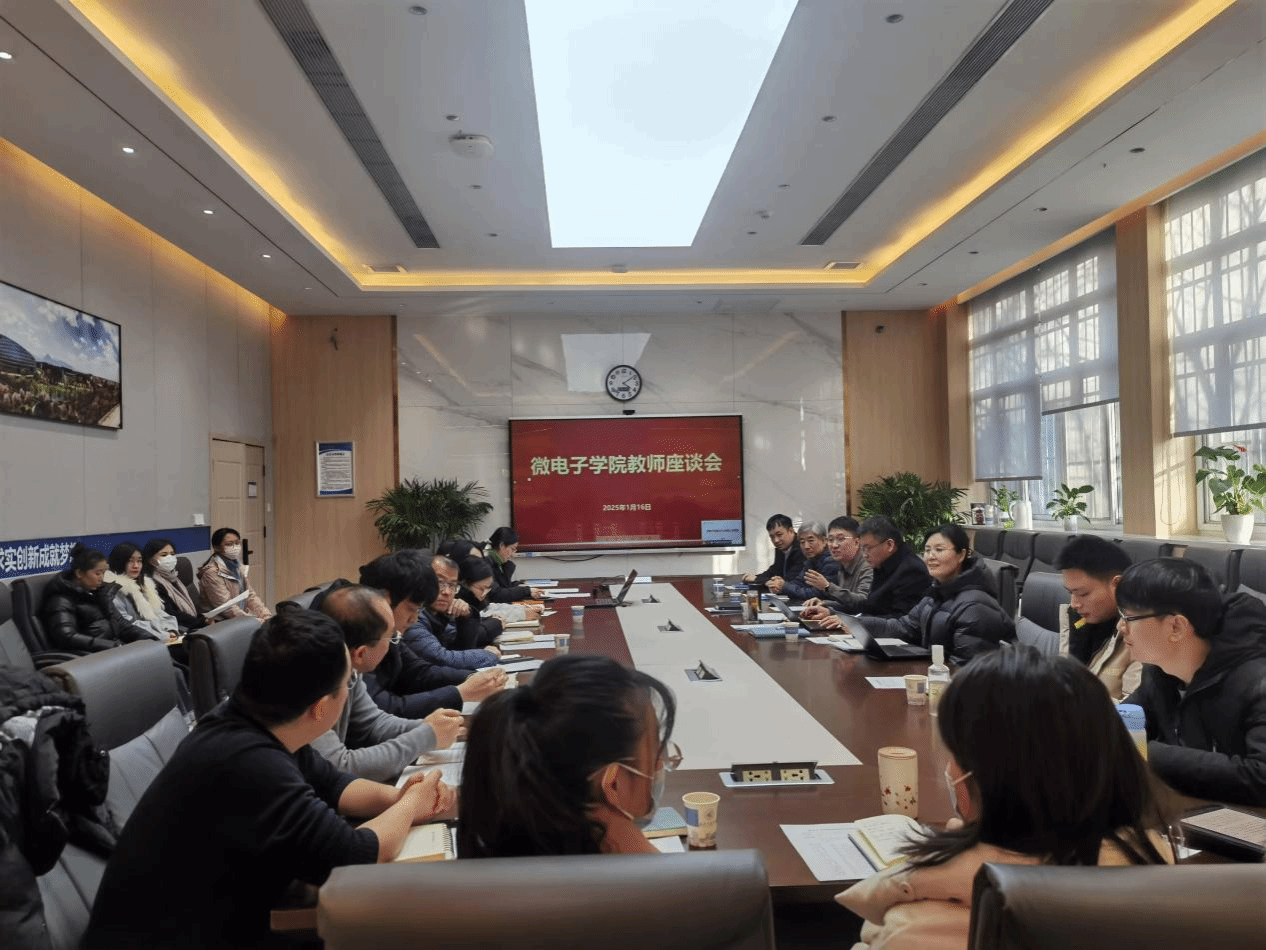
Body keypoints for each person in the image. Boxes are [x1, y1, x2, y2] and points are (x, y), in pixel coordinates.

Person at [83, 608, 457, 950]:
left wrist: (400, 797)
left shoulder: (256, 722)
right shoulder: (248, 762)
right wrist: (413, 804)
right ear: (321, 707)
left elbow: (335, 785)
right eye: (348, 683)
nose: (350, 691)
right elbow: (356, 854)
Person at [838, 646, 1172, 950]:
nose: (950, 769)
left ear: (986, 778)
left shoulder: (914, 929)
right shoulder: (1165, 882)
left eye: (955, 754)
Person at [458, 654, 679, 858]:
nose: (660, 764)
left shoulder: (504, 851)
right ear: (613, 785)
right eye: (654, 751)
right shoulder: (665, 884)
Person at [1118, 558, 1266, 806]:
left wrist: (1146, 752)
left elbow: (1260, 778)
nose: (1121, 627)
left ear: (1176, 626)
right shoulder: (1160, 672)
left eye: (1129, 617)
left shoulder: (1257, 682)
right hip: (1192, 814)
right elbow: (1124, 723)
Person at [309, 584, 464, 782]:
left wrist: (430, 726)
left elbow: (373, 723)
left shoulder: (350, 669)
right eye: (392, 637)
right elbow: (340, 766)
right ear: (361, 653)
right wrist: (426, 736)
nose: (395, 642)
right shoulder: (312, 684)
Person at [357, 552, 507, 719]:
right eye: (411, 609)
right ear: (385, 599)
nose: (414, 619)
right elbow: (385, 709)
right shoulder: (358, 639)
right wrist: (460, 693)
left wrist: (475, 678)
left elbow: (419, 672)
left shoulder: (390, 632)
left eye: (452, 585)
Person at [853, 524, 1014, 663]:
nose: (930, 557)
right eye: (927, 550)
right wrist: (855, 623)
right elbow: (903, 627)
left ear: (961, 555)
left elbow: (968, 670)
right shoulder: (937, 593)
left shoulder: (975, 606)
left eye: (939, 550)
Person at [1054, 535, 1140, 700]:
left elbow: (1136, 710)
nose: (1074, 604)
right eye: (1070, 593)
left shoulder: (1143, 632)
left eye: (1083, 594)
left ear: (1117, 585)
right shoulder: (1078, 622)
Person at [802, 516, 929, 621]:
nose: (864, 554)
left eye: (868, 548)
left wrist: (849, 621)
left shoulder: (911, 570)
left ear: (889, 545)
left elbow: (901, 621)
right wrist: (830, 610)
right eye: (862, 548)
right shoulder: (882, 564)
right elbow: (868, 605)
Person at [40, 543, 156, 652]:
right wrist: (113, 646)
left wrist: (149, 638)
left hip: (112, 651)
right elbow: (67, 637)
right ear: (79, 573)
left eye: (103, 573)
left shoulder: (100, 594)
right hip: (89, 657)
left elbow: (121, 624)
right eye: (97, 573)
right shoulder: (61, 600)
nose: (101, 578)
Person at [399, 552, 501, 670]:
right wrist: (487, 655)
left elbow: (457, 647)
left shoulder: (438, 615)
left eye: (452, 585)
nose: (447, 592)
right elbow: (443, 658)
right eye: (440, 583)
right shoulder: (413, 617)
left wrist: (465, 617)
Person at [104, 541, 180, 641]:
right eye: (130, 561)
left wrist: (171, 630)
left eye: (139, 561)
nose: (136, 566)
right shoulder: (114, 590)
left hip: (159, 637)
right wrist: (162, 635)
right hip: (138, 642)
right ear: (119, 562)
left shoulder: (145, 585)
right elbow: (128, 625)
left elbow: (160, 613)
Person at [197, 527, 272, 621]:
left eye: (237, 543)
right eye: (229, 544)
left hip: (238, 619)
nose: (235, 547)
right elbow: (226, 608)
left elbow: (250, 596)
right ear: (216, 547)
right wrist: (255, 621)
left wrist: (266, 616)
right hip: (219, 622)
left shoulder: (236, 566)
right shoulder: (212, 573)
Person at [803, 516, 872, 610]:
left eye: (841, 539)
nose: (834, 545)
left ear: (857, 542)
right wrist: (824, 603)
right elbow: (848, 604)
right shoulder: (842, 564)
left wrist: (828, 587)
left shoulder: (868, 566)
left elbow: (863, 603)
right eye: (831, 540)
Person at [142, 537, 207, 634]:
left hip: (192, 623)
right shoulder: (152, 583)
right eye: (164, 555)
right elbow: (171, 614)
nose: (170, 558)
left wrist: (204, 619)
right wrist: (202, 623)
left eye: (172, 554)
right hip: (177, 630)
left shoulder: (173, 577)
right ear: (150, 560)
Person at [777, 521, 843, 602]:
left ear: (824, 541)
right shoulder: (812, 560)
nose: (806, 546)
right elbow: (799, 583)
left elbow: (819, 594)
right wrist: (779, 585)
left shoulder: (831, 561)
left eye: (811, 540)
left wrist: (785, 586)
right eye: (802, 542)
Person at [742, 514, 803, 591]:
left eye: (779, 535)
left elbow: (790, 580)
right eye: (772, 537)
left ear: (791, 531)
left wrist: (758, 580)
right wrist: (756, 578)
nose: (776, 540)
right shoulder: (781, 549)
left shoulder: (802, 548)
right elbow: (774, 571)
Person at [486, 527, 546, 602]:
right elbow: (497, 594)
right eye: (512, 549)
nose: (513, 554)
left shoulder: (499, 563)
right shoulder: (484, 563)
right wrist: (526, 591)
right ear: (502, 546)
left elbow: (505, 587)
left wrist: (525, 588)